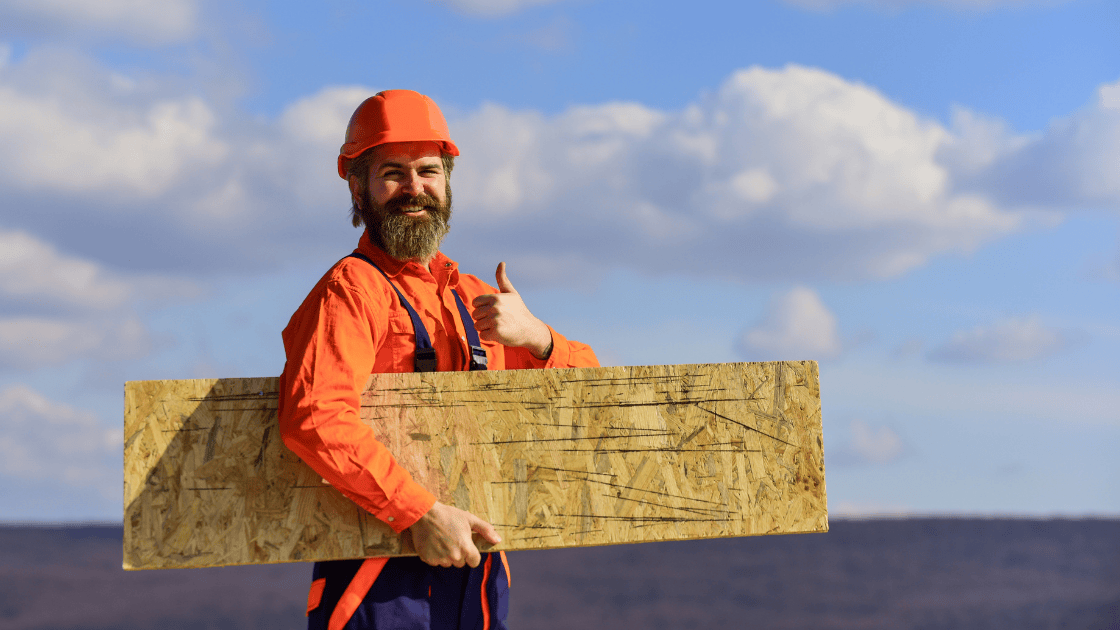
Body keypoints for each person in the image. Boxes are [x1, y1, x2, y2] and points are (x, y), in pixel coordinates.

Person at [277, 89, 599, 630]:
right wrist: (420, 515)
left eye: (428, 170)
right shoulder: (351, 291)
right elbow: (315, 418)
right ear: (358, 186)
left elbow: (594, 399)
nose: (414, 188)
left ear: (448, 181)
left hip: (476, 565)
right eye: (392, 172)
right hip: (377, 570)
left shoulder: (473, 298)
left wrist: (536, 338)